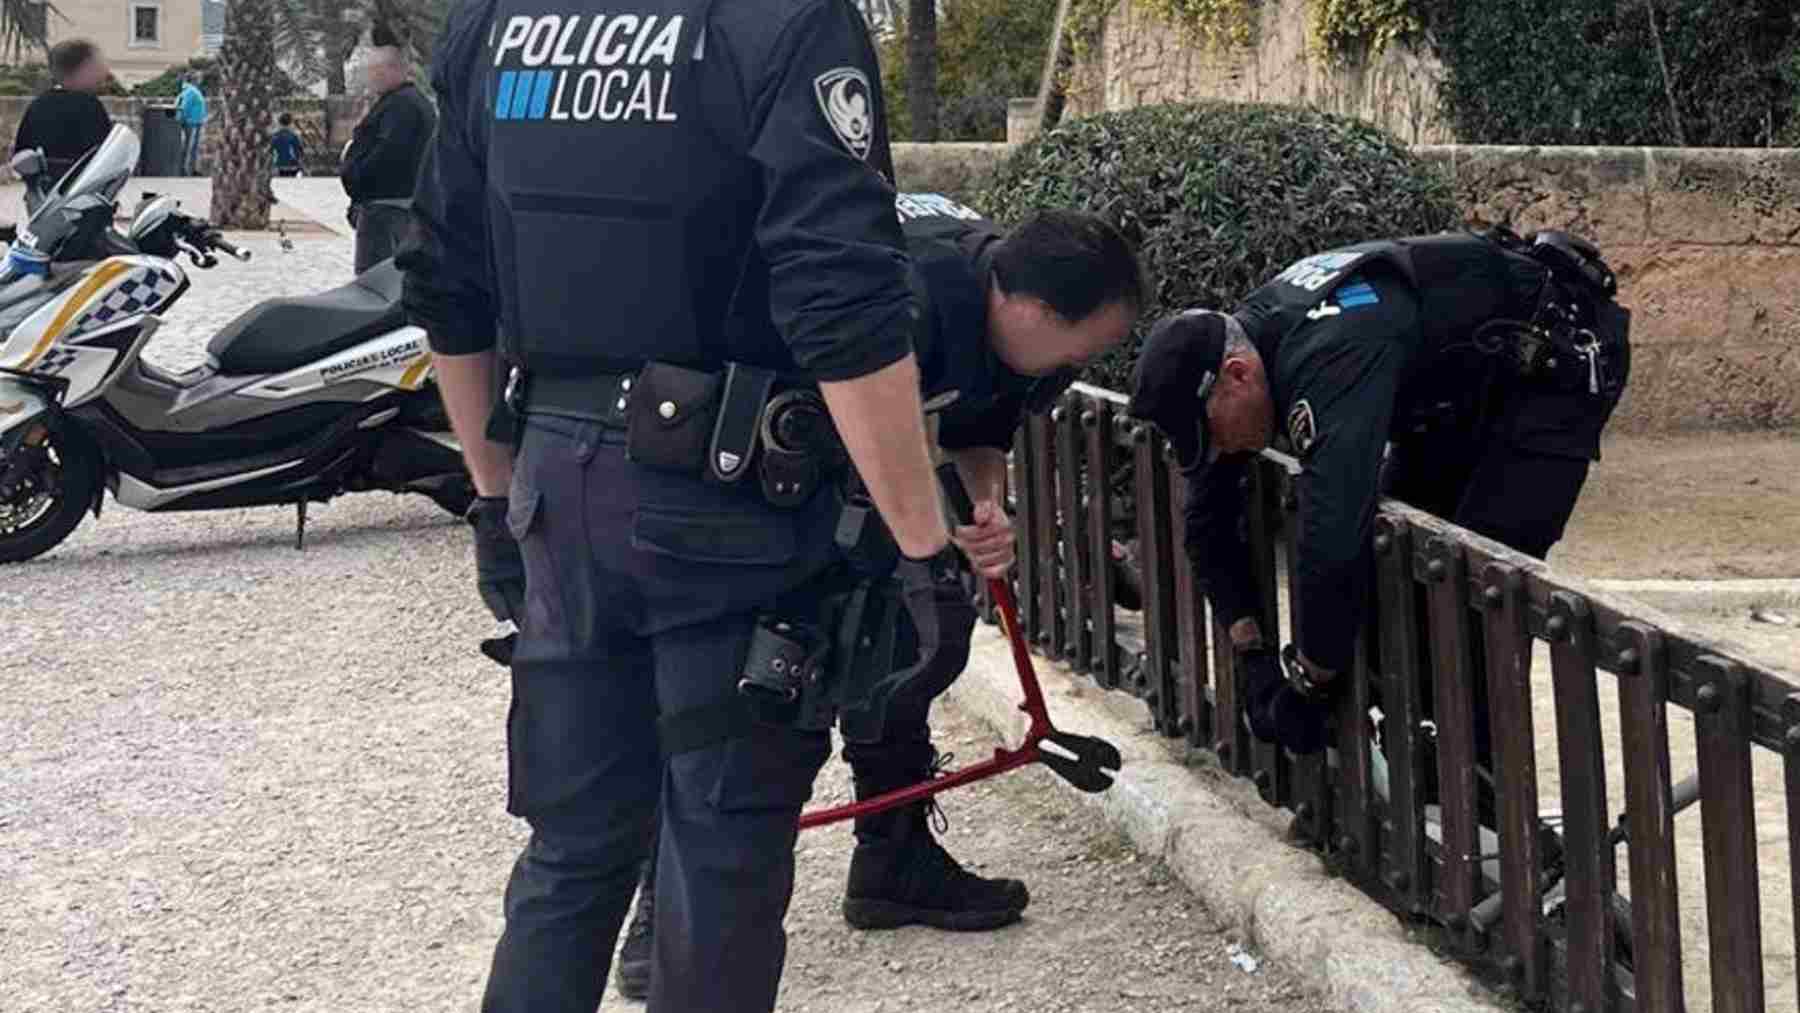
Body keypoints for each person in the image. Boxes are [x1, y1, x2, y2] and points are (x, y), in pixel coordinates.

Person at [401, 2, 979, 1011]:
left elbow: (445, 277)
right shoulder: (785, 20)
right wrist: (925, 544)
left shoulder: (496, 20)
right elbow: (840, 295)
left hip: (558, 483)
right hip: (728, 502)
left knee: (574, 849)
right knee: (721, 851)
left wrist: (495, 499)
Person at [609, 192, 1145, 999]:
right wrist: (920, 532)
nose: (1084, 365)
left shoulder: (1014, 322)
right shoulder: (904, 297)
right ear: (1032, 308)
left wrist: (987, 511)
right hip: (748, 467)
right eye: (1083, 344)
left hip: (862, 483)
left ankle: (892, 855)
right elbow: (836, 409)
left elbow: (979, 426)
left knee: (910, 640)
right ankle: (666, 899)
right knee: (743, 688)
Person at [1128, 229, 1630, 756]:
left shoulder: (1328, 355)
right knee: (1396, 573)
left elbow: (1334, 530)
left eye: (1211, 431)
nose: (1219, 448)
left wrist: (1309, 682)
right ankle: (1423, 766)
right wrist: (1253, 657)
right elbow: (1208, 523)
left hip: (1558, 366)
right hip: (1459, 386)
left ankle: (1486, 794)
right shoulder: (1243, 343)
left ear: (1236, 375)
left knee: (1482, 590)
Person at [341, 36, 434, 274]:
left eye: (374, 70)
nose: (370, 77)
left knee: (377, 282)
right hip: (387, 206)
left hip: (388, 209)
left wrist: (358, 178)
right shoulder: (400, 103)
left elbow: (387, 156)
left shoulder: (403, 107)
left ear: (393, 69)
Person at [14, 40, 113, 183]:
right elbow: (103, 151)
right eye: (100, 66)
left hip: (44, 191)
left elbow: (22, 149)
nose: (105, 73)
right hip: (81, 187)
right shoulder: (89, 105)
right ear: (85, 68)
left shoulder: (38, 104)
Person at [176, 73, 207, 176]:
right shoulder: (191, 91)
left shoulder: (190, 91)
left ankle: (191, 169)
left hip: (195, 122)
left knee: (192, 147)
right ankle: (186, 170)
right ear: (193, 80)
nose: (200, 80)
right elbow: (184, 107)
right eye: (198, 78)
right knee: (189, 146)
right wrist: (181, 121)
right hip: (192, 123)